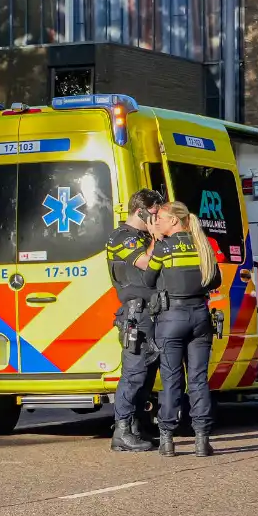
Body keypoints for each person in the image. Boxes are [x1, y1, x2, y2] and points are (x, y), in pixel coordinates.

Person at [143, 201, 221, 457]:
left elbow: (147, 279)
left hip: (171, 318)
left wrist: (155, 241)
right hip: (200, 316)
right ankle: (202, 440)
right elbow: (216, 279)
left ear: (174, 221)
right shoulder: (203, 245)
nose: (158, 223)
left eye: (162, 219)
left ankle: (167, 440)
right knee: (198, 380)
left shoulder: (164, 248)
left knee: (171, 381)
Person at [105, 189, 165, 452]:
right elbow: (147, 262)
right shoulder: (122, 237)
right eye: (154, 213)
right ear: (141, 210)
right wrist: (155, 237)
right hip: (136, 313)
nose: (156, 218)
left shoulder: (142, 237)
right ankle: (122, 430)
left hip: (152, 312)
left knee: (148, 373)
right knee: (134, 372)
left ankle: (137, 425)